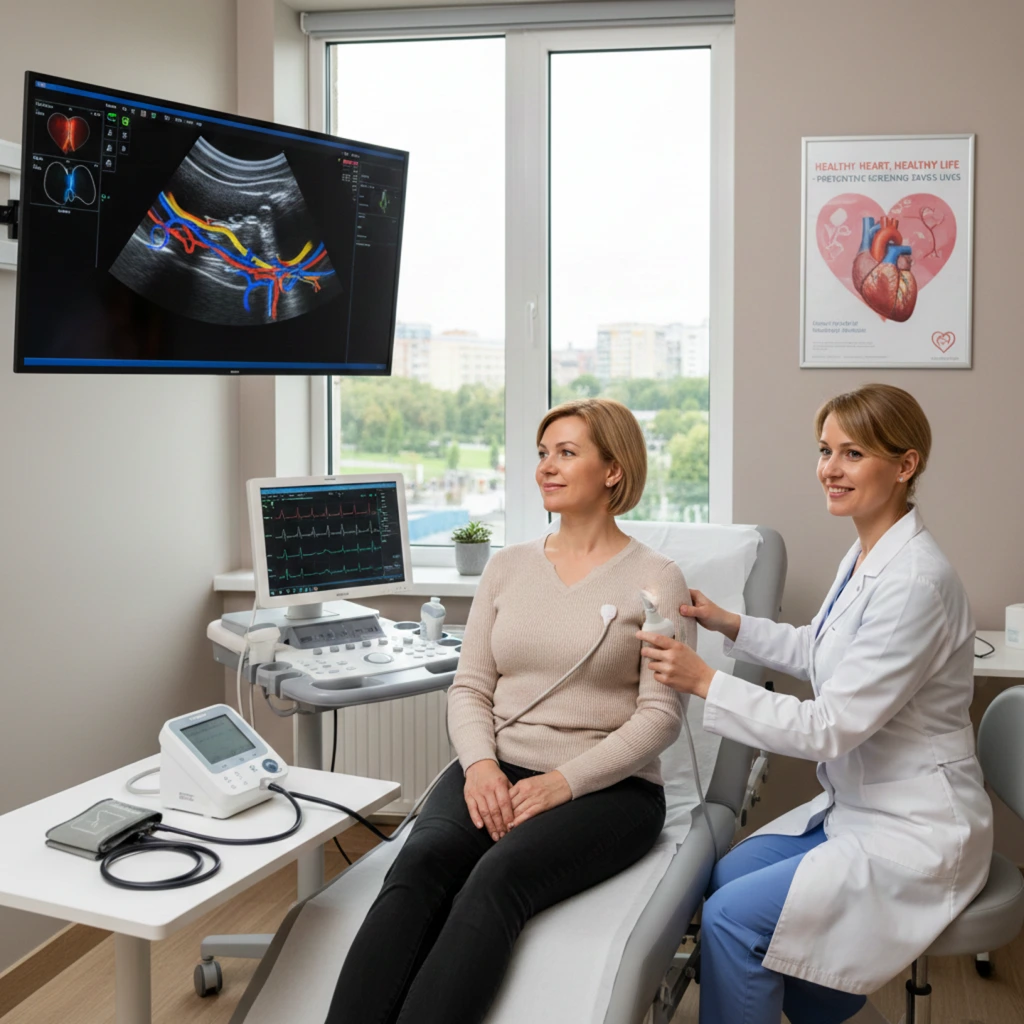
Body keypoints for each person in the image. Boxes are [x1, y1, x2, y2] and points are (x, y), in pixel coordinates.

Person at [325, 397, 696, 1024]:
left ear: (613, 470)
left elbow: (660, 717)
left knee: (498, 879)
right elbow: (470, 686)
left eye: (567, 453)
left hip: (610, 790)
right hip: (496, 771)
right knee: (419, 865)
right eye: (542, 453)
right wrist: (479, 767)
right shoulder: (506, 568)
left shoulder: (657, 579)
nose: (546, 466)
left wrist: (562, 783)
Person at [637, 383, 993, 1024]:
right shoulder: (867, 552)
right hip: (858, 807)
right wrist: (730, 623)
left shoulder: (914, 581)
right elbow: (820, 649)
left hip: (917, 827)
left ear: (905, 465)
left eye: (853, 453)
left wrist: (705, 681)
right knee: (723, 880)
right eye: (825, 450)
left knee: (731, 919)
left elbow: (829, 728)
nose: (830, 468)